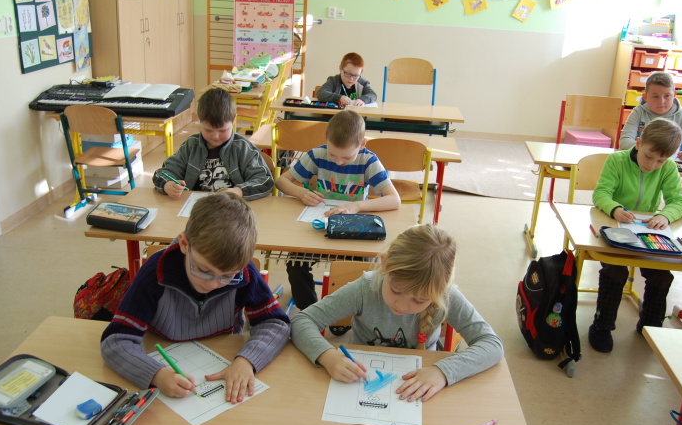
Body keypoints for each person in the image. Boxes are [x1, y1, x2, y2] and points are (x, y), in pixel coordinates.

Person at [100, 192, 291, 403]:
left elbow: (276, 324)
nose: (212, 284)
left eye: (227, 276)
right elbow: (116, 341)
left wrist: (247, 361)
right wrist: (156, 374)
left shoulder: (244, 274)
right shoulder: (155, 273)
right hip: (163, 351)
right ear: (184, 244)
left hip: (222, 354)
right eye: (203, 270)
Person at [290, 224, 504, 402]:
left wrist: (442, 371)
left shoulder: (446, 296)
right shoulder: (365, 289)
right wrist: (328, 356)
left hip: (421, 382)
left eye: (419, 300)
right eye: (395, 290)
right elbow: (302, 321)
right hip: (360, 379)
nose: (401, 305)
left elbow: (492, 345)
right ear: (385, 265)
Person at [275, 109, 401, 311]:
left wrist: (356, 205)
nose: (338, 162)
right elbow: (282, 181)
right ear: (327, 139)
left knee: (362, 269)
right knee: (295, 263)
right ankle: (310, 311)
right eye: (333, 154)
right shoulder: (318, 154)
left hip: (353, 230)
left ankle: (346, 310)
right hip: (318, 226)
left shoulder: (368, 161)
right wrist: (301, 193)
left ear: (362, 144)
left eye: (347, 157)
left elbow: (394, 200)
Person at [589, 117, 682, 353]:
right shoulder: (617, 160)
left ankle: (650, 326)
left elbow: (679, 202)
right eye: (649, 156)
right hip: (614, 228)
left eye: (660, 160)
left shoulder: (668, 168)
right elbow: (601, 193)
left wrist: (665, 216)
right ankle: (602, 326)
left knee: (662, 275)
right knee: (615, 271)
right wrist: (615, 209)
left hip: (645, 232)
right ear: (638, 143)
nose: (653, 165)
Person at [152, 87, 273, 200]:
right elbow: (162, 173)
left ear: (233, 120)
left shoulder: (243, 148)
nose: (215, 136)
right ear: (199, 121)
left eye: (222, 130)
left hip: (232, 207)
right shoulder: (190, 146)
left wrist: (239, 191)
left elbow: (265, 181)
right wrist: (167, 185)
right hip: (197, 206)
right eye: (208, 130)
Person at [620, 71, 682, 162]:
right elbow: (625, 140)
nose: (661, 102)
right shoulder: (638, 112)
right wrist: (646, 153)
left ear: (674, 95)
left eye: (667, 96)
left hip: (668, 164)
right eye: (655, 97)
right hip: (641, 162)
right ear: (645, 97)